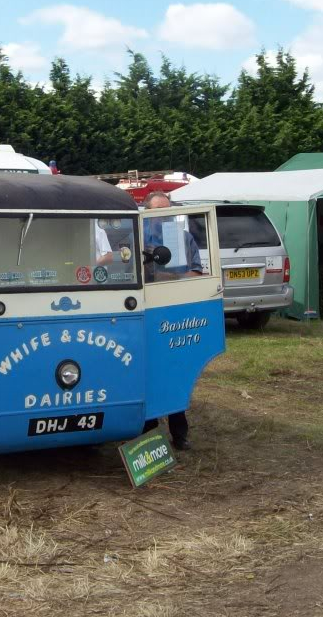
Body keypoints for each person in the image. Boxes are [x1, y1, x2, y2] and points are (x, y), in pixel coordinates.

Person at [141, 190, 201, 450]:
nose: (162, 221)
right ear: (147, 214)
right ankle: (148, 432)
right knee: (149, 370)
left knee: (176, 370)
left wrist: (173, 279)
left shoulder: (184, 239)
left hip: (175, 313)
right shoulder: (136, 238)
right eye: (157, 215)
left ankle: (180, 433)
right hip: (146, 314)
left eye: (167, 214)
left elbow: (198, 271)